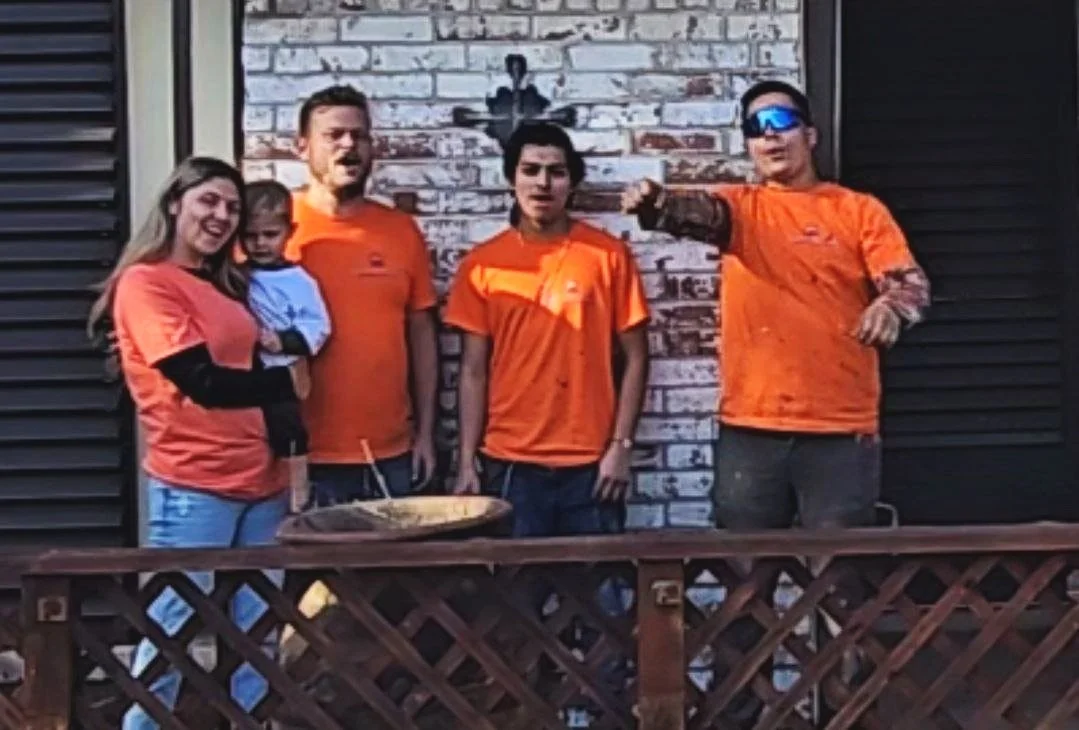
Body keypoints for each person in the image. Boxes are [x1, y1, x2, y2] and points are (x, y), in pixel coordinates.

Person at [623, 79, 931, 724]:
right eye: (755, 125)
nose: (769, 134)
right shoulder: (741, 208)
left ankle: (848, 718)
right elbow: (695, 214)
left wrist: (889, 305)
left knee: (844, 598)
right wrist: (654, 205)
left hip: (840, 435)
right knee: (743, 595)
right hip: (751, 434)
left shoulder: (857, 211)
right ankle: (744, 717)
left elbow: (909, 285)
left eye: (781, 120)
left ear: (809, 135)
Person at [87, 157, 307, 729]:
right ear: (174, 204)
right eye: (209, 201)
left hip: (261, 479)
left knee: (258, 635)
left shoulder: (224, 284)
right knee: (172, 629)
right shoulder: (147, 283)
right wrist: (287, 381)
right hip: (195, 483)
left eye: (232, 207)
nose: (221, 216)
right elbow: (201, 383)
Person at [447, 120, 650, 540]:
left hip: (591, 464)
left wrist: (620, 448)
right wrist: (466, 460)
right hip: (510, 463)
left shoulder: (606, 256)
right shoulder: (483, 265)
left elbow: (636, 357)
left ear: (571, 183)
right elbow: (472, 371)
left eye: (556, 172)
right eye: (531, 170)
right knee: (517, 601)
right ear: (511, 179)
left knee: (602, 602)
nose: (543, 183)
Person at [285, 84, 440, 504]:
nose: (349, 145)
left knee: (390, 571)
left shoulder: (400, 231)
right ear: (302, 148)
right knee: (311, 572)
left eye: (360, 135)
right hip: (299, 456)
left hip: (391, 453)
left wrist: (425, 435)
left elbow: (422, 339)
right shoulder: (274, 230)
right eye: (333, 135)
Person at [242, 179, 331, 512]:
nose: (260, 244)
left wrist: (284, 341)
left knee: (287, 425)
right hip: (245, 370)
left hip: (281, 368)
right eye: (251, 236)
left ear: (289, 232)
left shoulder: (300, 281)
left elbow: (318, 327)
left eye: (269, 235)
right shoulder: (235, 276)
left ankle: (298, 490)